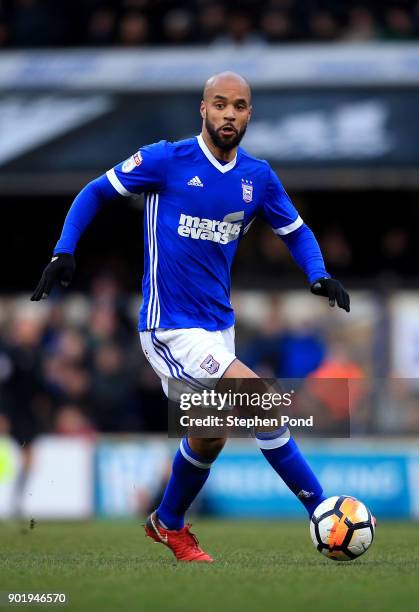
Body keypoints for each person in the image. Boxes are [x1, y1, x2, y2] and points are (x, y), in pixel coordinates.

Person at [31, 71, 350, 563]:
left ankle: (168, 523)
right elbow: (95, 191)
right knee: (259, 398)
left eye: (239, 106)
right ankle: (322, 509)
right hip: (169, 327)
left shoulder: (257, 177)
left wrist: (318, 273)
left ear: (249, 114)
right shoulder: (166, 159)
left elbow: (295, 229)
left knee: (210, 434)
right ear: (203, 109)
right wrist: (63, 251)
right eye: (219, 104)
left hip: (219, 327)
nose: (228, 114)